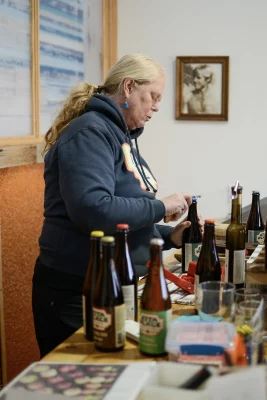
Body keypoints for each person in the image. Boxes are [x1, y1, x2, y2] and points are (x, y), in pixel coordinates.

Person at [32, 54, 201, 358]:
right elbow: (95, 210)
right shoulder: (90, 132)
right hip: (76, 289)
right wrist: (161, 207)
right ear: (128, 87)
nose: (157, 106)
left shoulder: (120, 136)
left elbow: (124, 216)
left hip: (112, 283)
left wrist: (167, 236)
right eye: (153, 96)